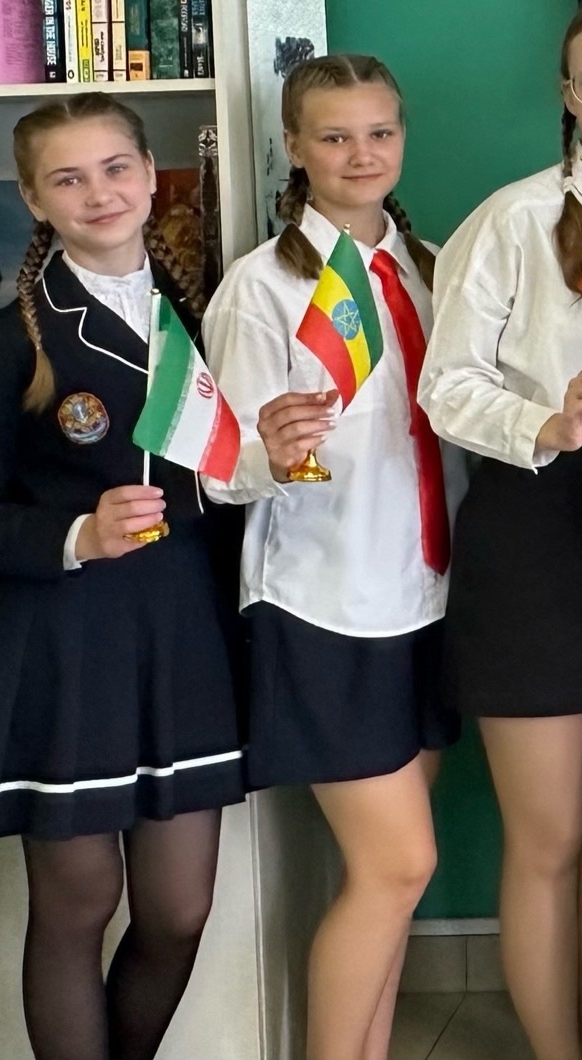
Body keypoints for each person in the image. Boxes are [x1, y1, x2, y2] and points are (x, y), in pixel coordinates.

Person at [0, 93, 243, 1060]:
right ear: (33, 198)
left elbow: (234, 479)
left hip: (184, 633)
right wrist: (76, 535)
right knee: (78, 903)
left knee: (179, 910)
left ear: (149, 176)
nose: (98, 193)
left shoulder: (212, 316)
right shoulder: (2, 342)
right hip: (63, 643)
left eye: (114, 168)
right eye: (67, 178)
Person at [418, 0, 582, 1060]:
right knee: (550, 837)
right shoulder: (512, 220)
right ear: (566, 96)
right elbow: (445, 385)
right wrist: (548, 422)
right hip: (533, 536)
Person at [204, 54, 460, 1060]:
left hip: (425, 596)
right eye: (335, 136)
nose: (361, 155)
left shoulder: (431, 267)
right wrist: (268, 450)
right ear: (294, 147)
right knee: (397, 866)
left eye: (380, 132)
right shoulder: (262, 289)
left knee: (389, 881)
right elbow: (222, 470)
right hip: (325, 606)